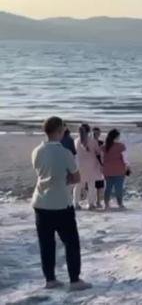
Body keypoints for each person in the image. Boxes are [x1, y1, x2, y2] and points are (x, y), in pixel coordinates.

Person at [31, 116, 92, 291]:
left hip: (40, 202)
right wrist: (64, 179)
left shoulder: (36, 151)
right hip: (60, 203)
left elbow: (41, 173)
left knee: (46, 243)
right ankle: (74, 280)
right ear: (59, 130)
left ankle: (50, 280)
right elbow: (76, 177)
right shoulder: (64, 152)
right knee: (71, 242)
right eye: (64, 128)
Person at [73, 124, 103, 210]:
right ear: (89, 131)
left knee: (78, 185)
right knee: (91, 186)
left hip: (79, 165)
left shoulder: (76, 141)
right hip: (91, 166)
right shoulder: (93, 141)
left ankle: (76, 203)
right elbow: (98, 153)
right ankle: (90, 204)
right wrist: (101, 164)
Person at [102, 129, 129, 210]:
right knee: (118, 188)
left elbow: (99, 156)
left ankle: (106, 204)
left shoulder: (104, 146)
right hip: (119, 170)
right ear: (117, 137)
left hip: (107, 170)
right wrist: (128, 167)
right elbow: (125, 159)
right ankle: (120, 204)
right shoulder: (121, 146)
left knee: (108, 188)